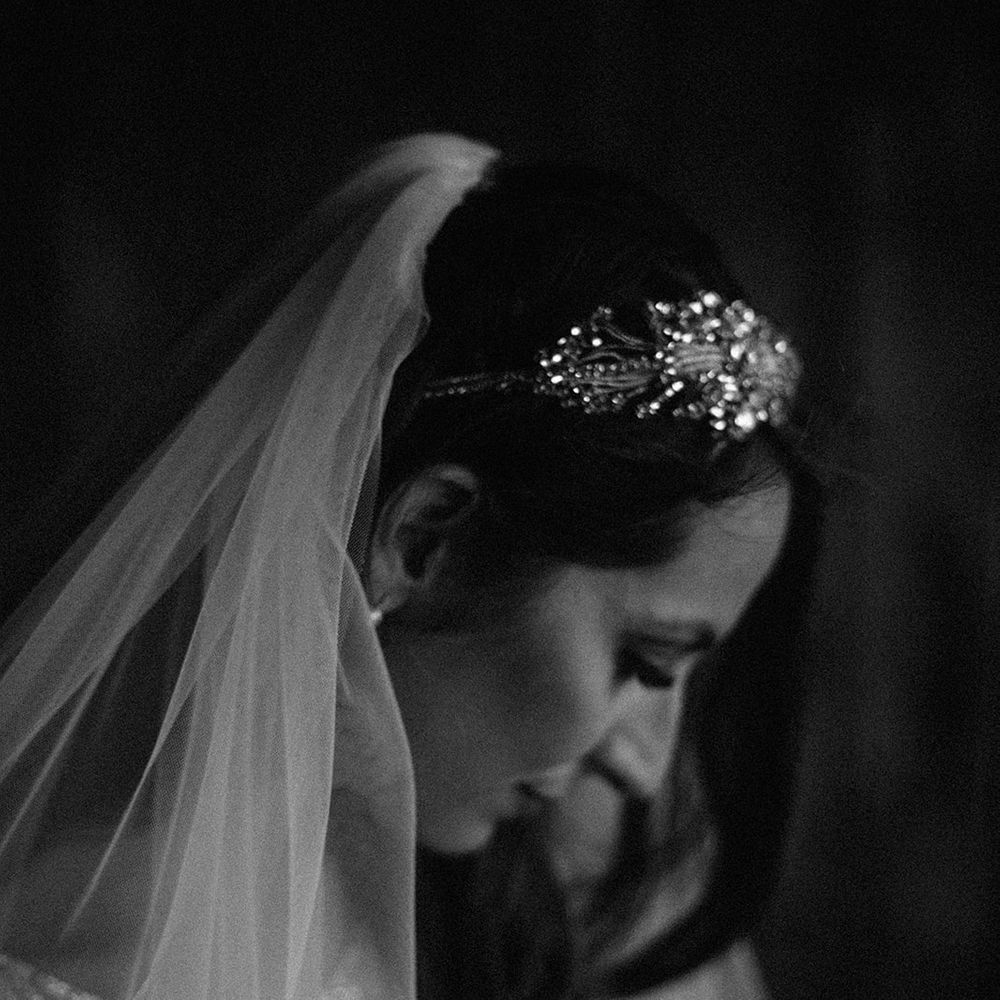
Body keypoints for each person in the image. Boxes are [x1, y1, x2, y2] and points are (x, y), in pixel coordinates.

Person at [0, 134, 817, 1000]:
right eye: (645, 661)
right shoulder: (111, 949)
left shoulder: (556, 900)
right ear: (427, 537)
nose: (647, 768)